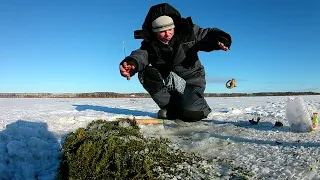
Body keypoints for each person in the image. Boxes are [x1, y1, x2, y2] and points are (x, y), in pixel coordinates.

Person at [119, 3, 232, 122]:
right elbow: (140, 55)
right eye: (162, 31)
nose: (167, 34)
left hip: (191, 82)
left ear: (174, 26)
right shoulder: (150, 45)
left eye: (170, 29)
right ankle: (170, 108)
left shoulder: (189, 33)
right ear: (155, 32)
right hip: (169, 82)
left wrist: (220, 39)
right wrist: (132, 64)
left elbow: (207, 34)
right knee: (146, 73)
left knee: (191, 114)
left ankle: (196, 107)